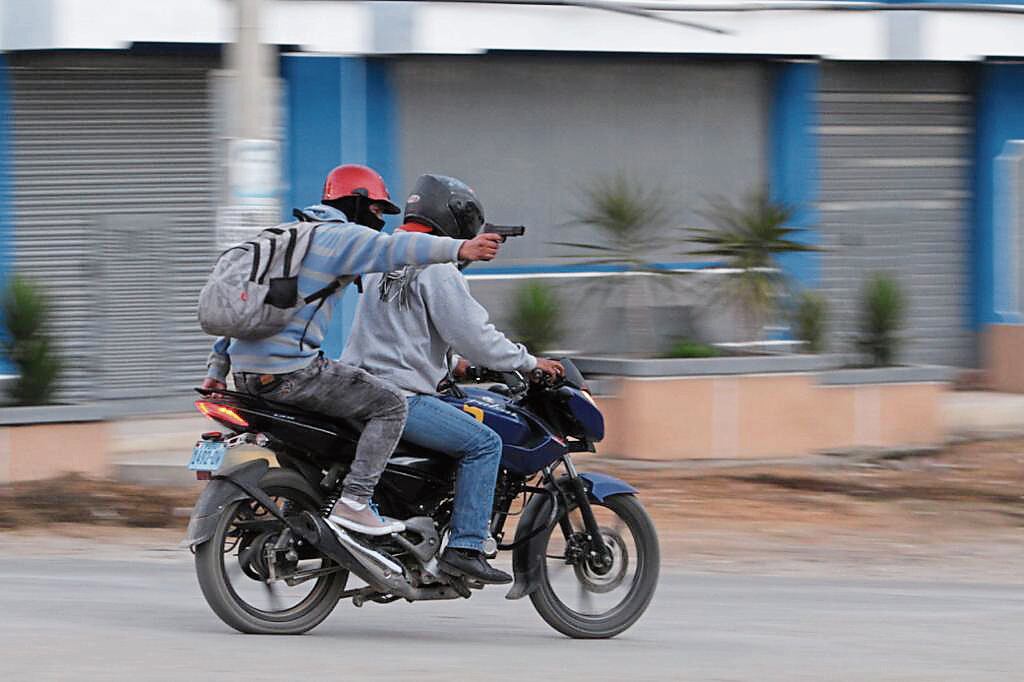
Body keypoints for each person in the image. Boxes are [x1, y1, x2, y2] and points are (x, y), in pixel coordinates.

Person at [202, 164, 504, 536]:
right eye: (377, 211)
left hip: (246, 376)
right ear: (357, 202)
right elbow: (398, 247)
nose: (378, 221)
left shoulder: (286, 236)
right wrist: (461, 247)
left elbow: (242, 313)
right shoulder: (340, 238)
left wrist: (217, 370)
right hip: (292, 374)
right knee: (391, 403)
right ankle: (356, 501)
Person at [340, 174, 563, 584]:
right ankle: (465, 548)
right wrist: (528, 362)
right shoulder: (438, 267)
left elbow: (401, 328)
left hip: (359, 385)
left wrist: (452, 363)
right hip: (401, 395)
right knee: (484, 443)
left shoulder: (383, 256)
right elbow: (476, 336)